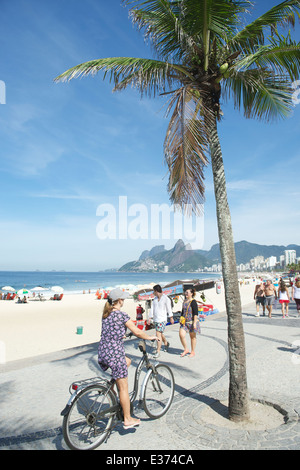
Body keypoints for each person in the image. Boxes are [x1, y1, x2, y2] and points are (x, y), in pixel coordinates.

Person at [98, 287, 158, 430]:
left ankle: (111, 389)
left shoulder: (106, 314)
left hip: (103, 352)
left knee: (128, 362)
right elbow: (137, 331)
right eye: (123, 298)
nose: (124, 300)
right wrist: (150, 336)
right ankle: (127, 419)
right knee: (124, 387)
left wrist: (121, 335)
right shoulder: (122, 315)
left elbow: (110, 331)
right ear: (119, 300)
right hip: (115, 354)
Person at [147, 284, 174, 358]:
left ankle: (158, 351)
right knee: (160, 333)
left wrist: (171, 317)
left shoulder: (166, 298)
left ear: (156, 291)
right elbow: (152, 309)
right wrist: (149, 318)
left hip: (162, 319)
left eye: (153, 291)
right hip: (156, 319)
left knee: (158, 334)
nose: (153, 293)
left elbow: (169, 309)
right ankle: (166, 342)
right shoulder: (155, 299)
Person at [179, 288, 201, 357]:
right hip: (185, 322)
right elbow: (183, 312)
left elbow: (195, 313)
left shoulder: (193, 302)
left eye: (187, 292)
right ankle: (186, 349)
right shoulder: (184, 301)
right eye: (185, 292)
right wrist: (181, 319)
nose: (186, 294)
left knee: (192, 337)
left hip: (192, 322)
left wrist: (194, 323)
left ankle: (193, 351)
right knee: (181, 335)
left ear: (191, 294)